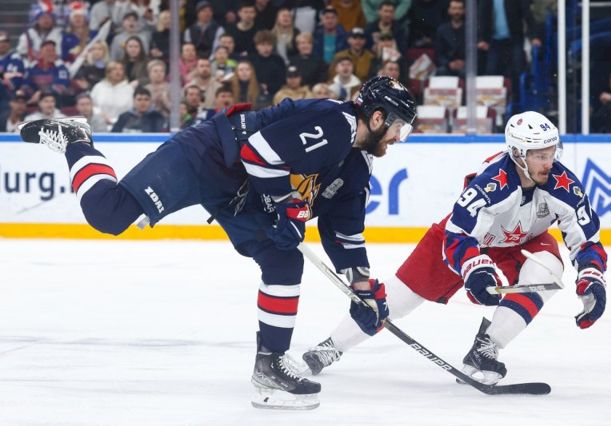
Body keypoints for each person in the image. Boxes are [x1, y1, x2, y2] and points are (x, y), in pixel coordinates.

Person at [17, 75, 417, 410]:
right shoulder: (335, 122)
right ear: (377, 117)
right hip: (207, 156)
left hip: (243, 193)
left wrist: (362, 287)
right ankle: (77, 140)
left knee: (283, 259)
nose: (400, 137)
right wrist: (288, 204)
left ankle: (271, 364)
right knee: (109, 213)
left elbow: (344, 231)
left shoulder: (356, 166)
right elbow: (258, 154)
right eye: (399, 126)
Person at [301, 111, 608, 386]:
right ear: (517, 153)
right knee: (399, 300)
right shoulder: (493, 184)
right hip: (463, 240)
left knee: (547, 268)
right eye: (540, 155)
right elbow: (459, 234)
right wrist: (476, 270)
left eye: (552, 152)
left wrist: (592, 277)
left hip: (523, 241)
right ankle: (332, 346)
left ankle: (485, 348)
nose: (550, 162)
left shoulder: (564, 185)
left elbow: (587, 240)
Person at [435, 0, 466, 77]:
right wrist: (449, 64)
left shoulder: (470, 29)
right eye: (454, 8)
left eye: (460, 8)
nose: (457, 12)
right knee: (441, 72)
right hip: (448, 65)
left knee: (466, 73)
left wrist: (464, 63)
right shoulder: (442, 30)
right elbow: (439, 54)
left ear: (464, 11)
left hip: (465, 65)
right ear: (449, 11)